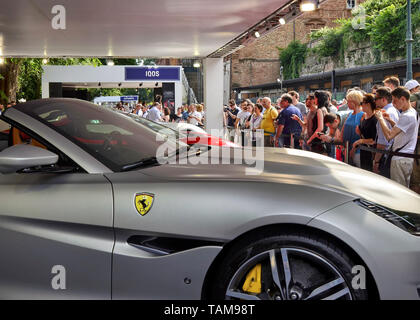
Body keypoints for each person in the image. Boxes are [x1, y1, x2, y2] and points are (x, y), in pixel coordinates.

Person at [375, 87, 419, 187]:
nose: (393, 104)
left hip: (400, 158)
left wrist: (381, 119)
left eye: (395, 101)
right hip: (406, 157)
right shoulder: (413, 113)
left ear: (403, 99)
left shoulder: (407, 115)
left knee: (399, 189)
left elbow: (389, 136)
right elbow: (403, 129)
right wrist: (390, 120)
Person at [373, 87, 400, 176]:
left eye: (376, 99)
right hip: (391, 154)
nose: (374, 101)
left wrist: (376, 162)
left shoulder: (385, 113)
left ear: (383, 99)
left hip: (385, 157)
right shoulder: (394, 110)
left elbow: (382, 142)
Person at [352, 94, 378, 171]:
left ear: (368, 104)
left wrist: (360, 141)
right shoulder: (365, 117)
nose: (361, 105)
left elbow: (374, 140)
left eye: (362, 103)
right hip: (364, 150)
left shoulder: (375, 119)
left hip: (371, 152)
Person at [341, 90, 365, 167]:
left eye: (348, 101)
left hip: (358, 151)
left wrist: (354, 149)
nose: (347, 103)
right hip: (346, 149)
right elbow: (343, 131)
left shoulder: (363, 115)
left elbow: (363, 135)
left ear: (354, 101)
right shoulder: (349, 114)